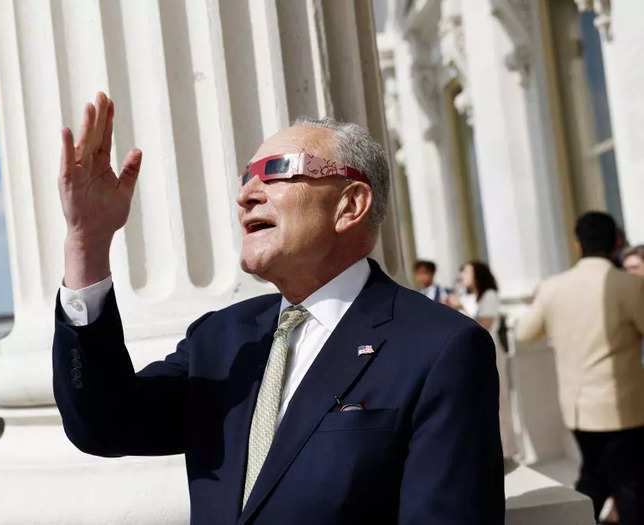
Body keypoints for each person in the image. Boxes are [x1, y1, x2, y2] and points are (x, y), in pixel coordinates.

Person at [53, 92, 505, 524]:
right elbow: (104, 423)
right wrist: (87, 244)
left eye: (277, 170)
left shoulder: (440, 348)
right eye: (246, 178)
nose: (247, 193)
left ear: (350, 204)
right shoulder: (223, 338)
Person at [516, 212, 644, 525]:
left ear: (577, 246)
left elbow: (523, 334)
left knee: (596, 475)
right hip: (623, 406)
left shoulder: (553, 287)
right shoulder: (628, 285)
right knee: (628, 483)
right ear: (616, 242)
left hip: (576, 408)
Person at [444, 262, 518, 460]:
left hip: (492, 354)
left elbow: (484, 325)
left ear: (478, 274)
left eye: (466, 271)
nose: (462, 275)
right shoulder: (468, 296)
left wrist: (460, 307)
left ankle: (507, 452)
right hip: (475, 356)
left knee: (499, 402)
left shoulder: (490, 296)